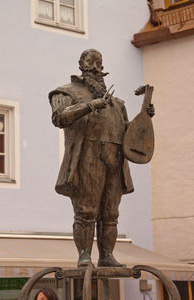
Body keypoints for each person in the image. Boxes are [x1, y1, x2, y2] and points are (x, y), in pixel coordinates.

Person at [49, 49, 154, 268]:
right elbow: (59, 118)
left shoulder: (117, 104)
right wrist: (90, 106)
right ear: (81, 64)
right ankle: (85, 256)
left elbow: (127, 134)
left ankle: (107, 255)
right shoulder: (65, 92)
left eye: (99, 63)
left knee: (111, 213)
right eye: (91, 62)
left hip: (115, 161)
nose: (96, 67)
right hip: (87, 157)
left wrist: (144, 117)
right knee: (86, 211)